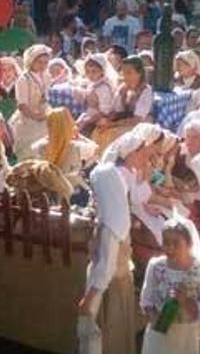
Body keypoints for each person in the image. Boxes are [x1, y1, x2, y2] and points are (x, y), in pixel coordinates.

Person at [77, 124, 163, 354]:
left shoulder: (111, 226)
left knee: (106, 335)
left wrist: (91, 297)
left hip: (109, 288)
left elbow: (105, 265)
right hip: (117, 282)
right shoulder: (114, 220)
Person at [139, 214, 200, 354]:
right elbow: (146, 300)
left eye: (176, 243)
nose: (170, 248)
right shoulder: (156, 266)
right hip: (158, 333)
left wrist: (185, 301)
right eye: (166, 242)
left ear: (189, 244)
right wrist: (158, 321)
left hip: (186, 334)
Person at [31, 108, 99, 197]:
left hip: (49, 193)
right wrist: (79, 136)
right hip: (74, 192)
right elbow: (96, 149)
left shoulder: (38, 146)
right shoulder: (78, 147)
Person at [91, 57, 155, 151]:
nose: (125, 76)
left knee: (114, 135)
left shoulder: (146, 90)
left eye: (129, 73)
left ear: (139, 73)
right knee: (98, 131)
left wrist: (112, 124)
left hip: (140, 124)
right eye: (123, 72)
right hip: (124, 122)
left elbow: (137, 119)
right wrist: (107, 120)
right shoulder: (122, 89)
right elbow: (117, 111)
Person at [11, 44, 53, 160]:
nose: (43, 66)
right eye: (39, 62)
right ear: (31, 61)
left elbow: (46, 97)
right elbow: (22, 104)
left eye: (45, 62)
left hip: (43, 115)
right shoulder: (24, 79)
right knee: (29, 151)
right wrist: (35, 116)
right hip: (28, 118)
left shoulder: (46, 76)